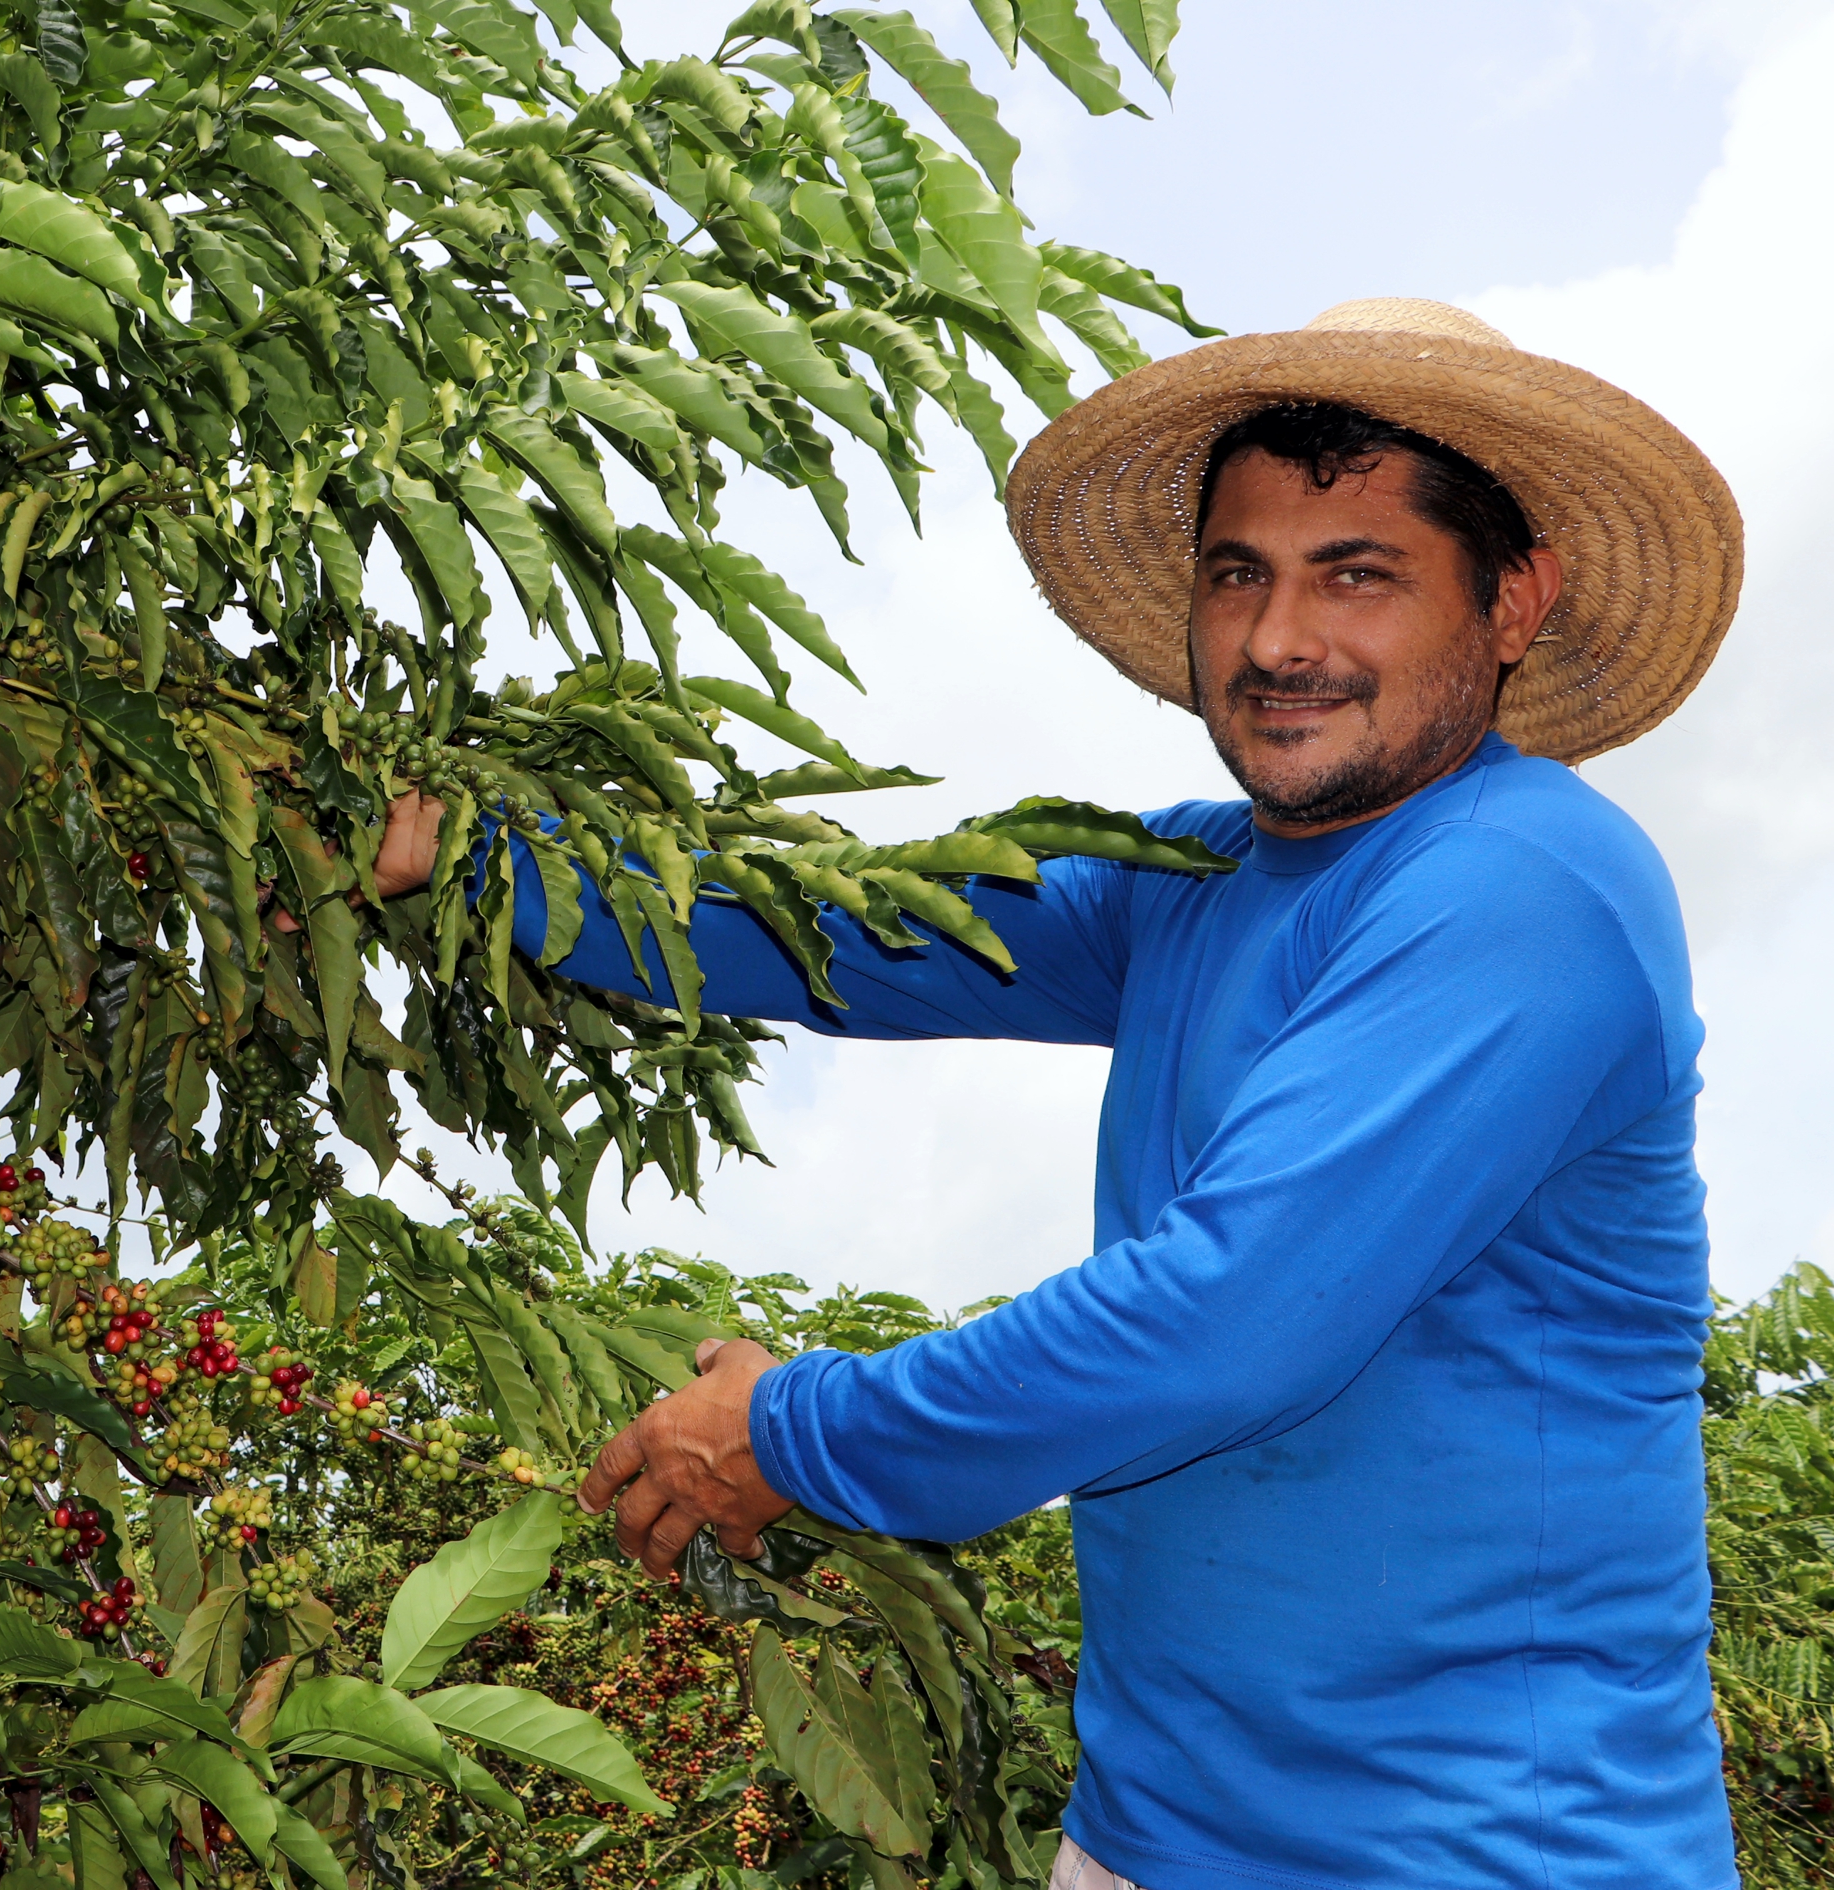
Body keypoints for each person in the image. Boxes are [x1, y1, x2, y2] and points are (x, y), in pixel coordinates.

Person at [367, 301, 1744, 1889]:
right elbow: (842, 927)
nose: (1281, 640)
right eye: (1240, 574)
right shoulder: (1189, 881)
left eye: (1356, 573)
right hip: (1154, 1835)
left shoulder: (1527, 884)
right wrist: (452, 853)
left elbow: (1220, 1319)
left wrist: (794, 1429)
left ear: (1514, 602)